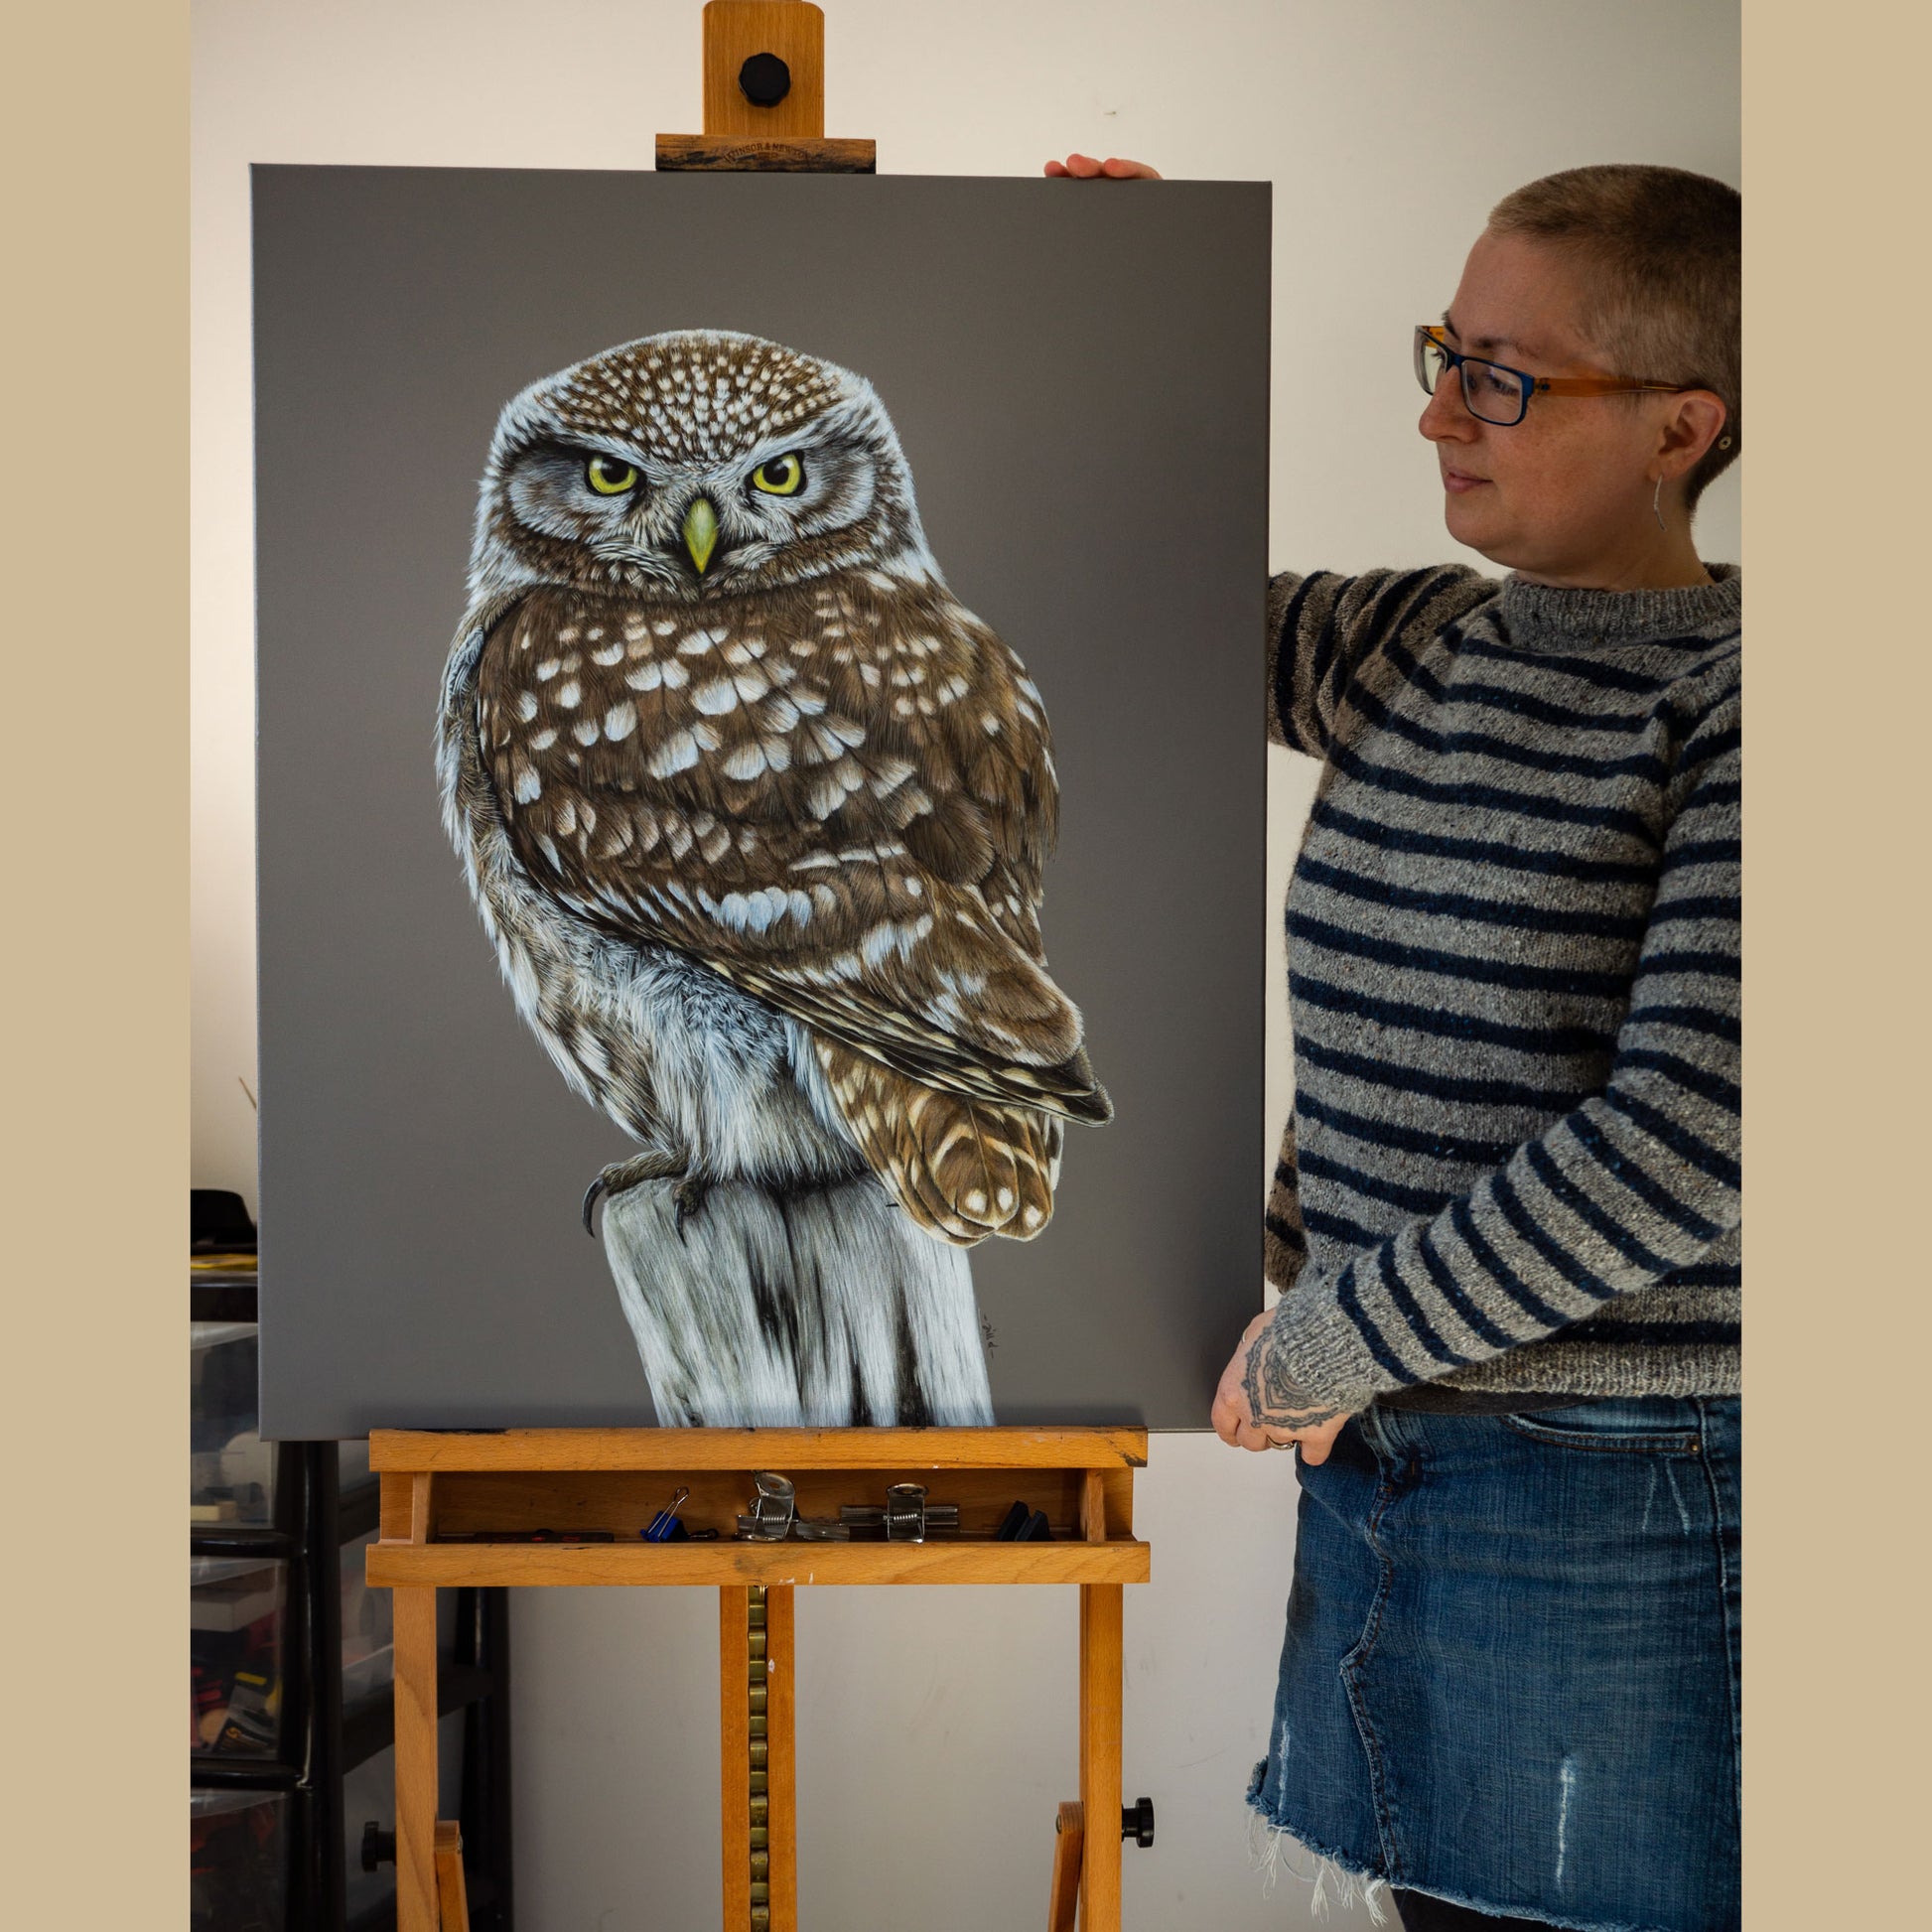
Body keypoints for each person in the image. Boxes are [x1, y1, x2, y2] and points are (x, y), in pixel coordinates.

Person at [1048, 153, 1741, 1932]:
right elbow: (1098, 611)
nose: (1441, 409)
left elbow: (1690, 1138)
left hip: (1613, 1494)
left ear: (1682, 422)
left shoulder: (1750, 698)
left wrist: (1325, 1334)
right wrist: (1112, 298)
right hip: (1394, 1449)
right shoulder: (1415, 640)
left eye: (1504, 374)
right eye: (1444, 351)